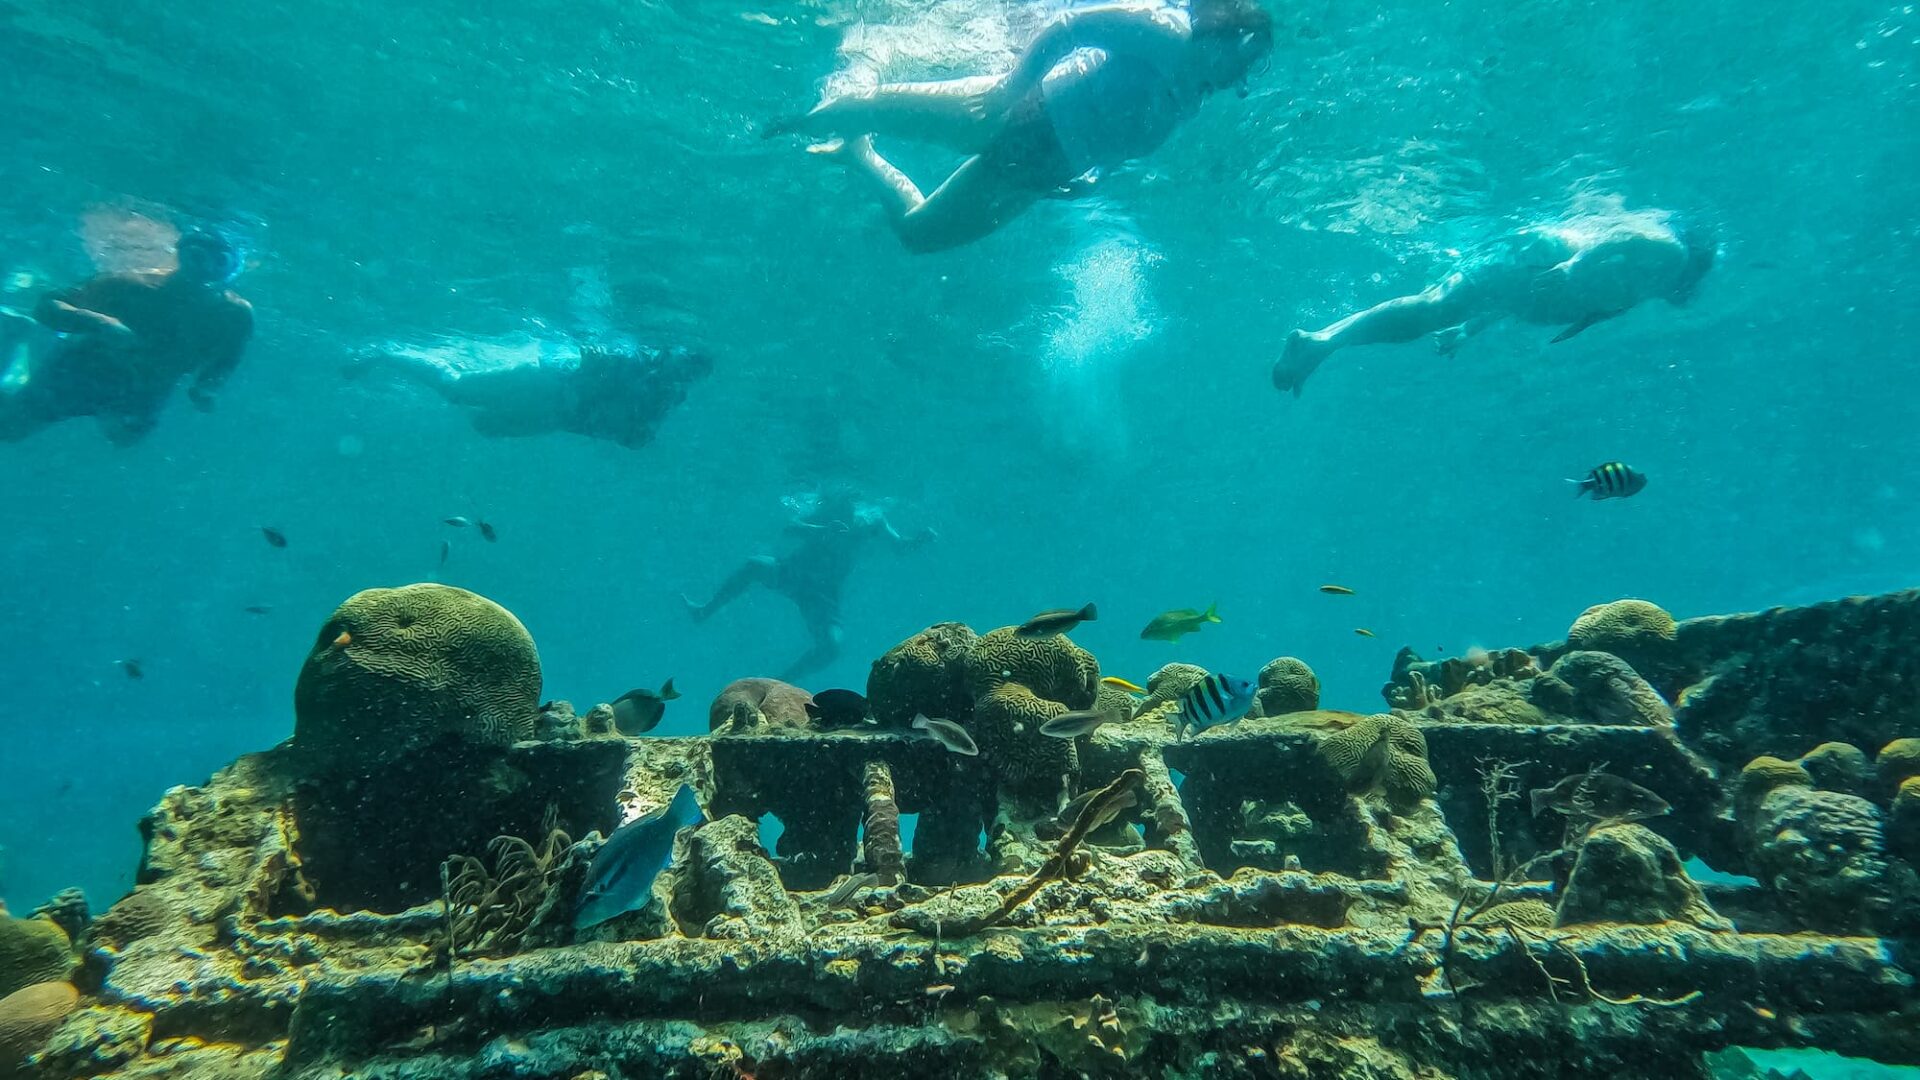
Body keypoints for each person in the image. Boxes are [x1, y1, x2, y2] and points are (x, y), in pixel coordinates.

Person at [765, 0, 1274, 253]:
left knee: (919, 237)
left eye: (1256, 64)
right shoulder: (1169, 33)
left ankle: (860, 157)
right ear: (1227, 27)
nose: (1247, 73)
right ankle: (780, 124)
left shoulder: (1197, 94)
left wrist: (1093, 177)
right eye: (1249, 55)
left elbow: (1124, 135)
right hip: (1023, 112)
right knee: (868, 106)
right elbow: (1068, 26)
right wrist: (1011, 88)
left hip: (1043, 171)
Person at [1271, 209, 1717, 395]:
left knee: (1434, 314)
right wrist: (1574, 266)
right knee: (1432, 308)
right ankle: (1323, 341)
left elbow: (1573, 306)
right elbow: (1624, 234)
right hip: (1541, 257)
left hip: (1530, 276)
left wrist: (1470, 330)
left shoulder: (1652, 287)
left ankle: (1324, 343)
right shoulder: (1674, 253)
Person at [0, 230, 253, 445]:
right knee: (9, 430)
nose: (206, 270)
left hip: (148, 387)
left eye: (219, 261)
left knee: (125, 440)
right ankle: (18, 341)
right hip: (83, 370)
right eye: (197, 257)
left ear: (233, 268)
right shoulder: (129, 285)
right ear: (181, 255)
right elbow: (48, 307)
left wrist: (207, 386)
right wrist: (100, 322)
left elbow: (228, 358)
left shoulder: (236, 315)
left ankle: (22, 343)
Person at [684, 486, 936, 681]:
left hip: (824, 592)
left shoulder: (872, 520)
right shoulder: (825, 509)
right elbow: (791, 527)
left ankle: (781, 681)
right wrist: (820, 529)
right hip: (794, 571)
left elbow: (900, 546)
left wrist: (919, 540)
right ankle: (704, 610)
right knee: (755, 564)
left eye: (848, 508)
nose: (845, 515)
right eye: (840, 507)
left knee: (832, 647)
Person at [349, 341, 712, 449]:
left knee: (484, 426)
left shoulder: (665, 399)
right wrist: (594, 365)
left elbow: (636, 441)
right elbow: (593, 355)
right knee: (456, 389)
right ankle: (387, 354)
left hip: (556, 417)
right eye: (686, 359)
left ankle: (399, 359)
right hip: (546, 383)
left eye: (693, 371)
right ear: (675, 351)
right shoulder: (633, 354)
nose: (684, 370)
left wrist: (639, 431)